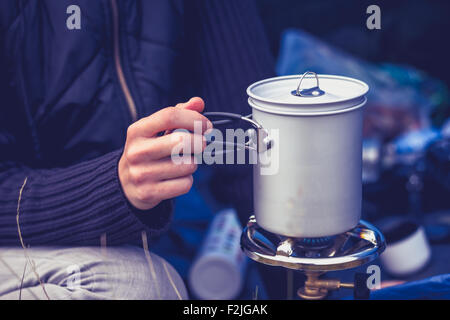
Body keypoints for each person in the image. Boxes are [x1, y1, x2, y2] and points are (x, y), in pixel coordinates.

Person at [0, 0, 274, 299]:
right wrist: (113, 187)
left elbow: (251, 150)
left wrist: (295, 269)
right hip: (21, 235)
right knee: (139, 285)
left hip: (158, 232)